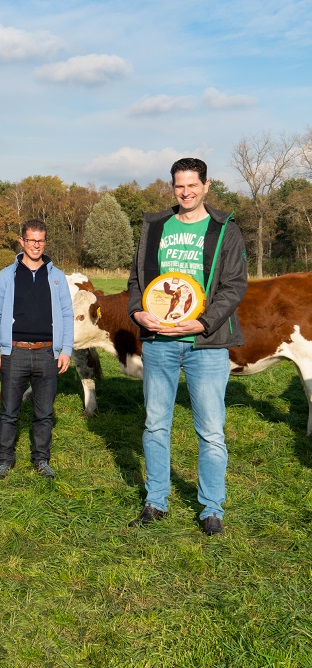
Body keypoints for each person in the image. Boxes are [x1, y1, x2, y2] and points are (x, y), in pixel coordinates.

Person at [127, 157, 247, 536]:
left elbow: (234, 286)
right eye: (179, 185)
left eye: (193, 184)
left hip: (207, 344)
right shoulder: (155, 227)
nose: (186, 191)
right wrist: (137, 313)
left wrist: (205, 321)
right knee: (155, 424)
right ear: (173, 187)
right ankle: (156, 501)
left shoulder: (224, 229)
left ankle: (212, 509)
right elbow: (137, 279)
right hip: (160, 342)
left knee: (211, 431)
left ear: (207, 185)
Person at [0, 219, 74, 480]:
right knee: (9, 411)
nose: (36, 245)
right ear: (22, 241)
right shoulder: (7, 275)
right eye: (31, 240)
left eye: (41, 240)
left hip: (48, 352)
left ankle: (41, 460)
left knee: (44, 413)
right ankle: (4, 460)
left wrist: (66, 349)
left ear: (45, 242)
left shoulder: (56, 276)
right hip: (15, 352)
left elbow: (67, 315)